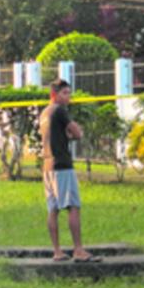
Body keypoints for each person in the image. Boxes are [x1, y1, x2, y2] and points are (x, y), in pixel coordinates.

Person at [38, 79, 98, 263]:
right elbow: (77, 133)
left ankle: (57, 251)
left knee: (53, 209)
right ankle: (78, 250)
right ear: (54, 94)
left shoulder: (44, 113)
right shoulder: (59, 110)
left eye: (69, 93)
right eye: (65, 93)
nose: (68, 97)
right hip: (62, 165)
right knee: (73, 206)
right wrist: (74, 133)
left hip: (47, 165)